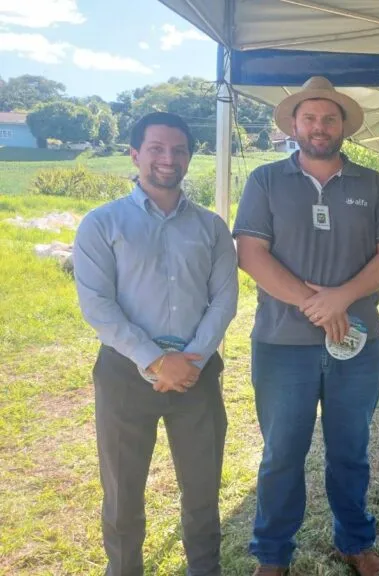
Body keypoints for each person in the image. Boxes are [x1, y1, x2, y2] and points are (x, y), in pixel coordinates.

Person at [233, 76, 379, 576]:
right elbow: (251, 254)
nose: (319, 126)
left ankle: (355, 541)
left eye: (329, 118)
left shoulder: (371, 183)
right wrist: (316, 303)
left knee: (350, 450)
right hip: (281, 344)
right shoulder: (265, 180)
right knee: (282, 453)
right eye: (309, 117)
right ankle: (273, 553)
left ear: (343, 127)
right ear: (293, 124)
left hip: (357, 342)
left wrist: (341, 298)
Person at [73, 111, 238, 576]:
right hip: (125, 374)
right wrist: (153, 360)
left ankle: (205, 570)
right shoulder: (101, 224)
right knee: (123, 492)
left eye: (179, 150)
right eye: (157, 149)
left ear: (189, 156)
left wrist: (191, 360)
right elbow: (98, 306)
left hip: (197, 375)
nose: (169, 159)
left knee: (203, 489)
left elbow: (224, 299)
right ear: (135, 154)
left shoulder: (211, 227)